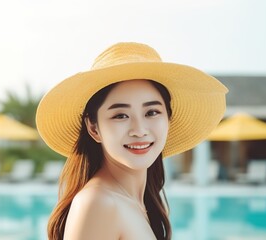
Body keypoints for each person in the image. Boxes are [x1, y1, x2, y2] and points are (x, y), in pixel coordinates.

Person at [36, 42, 228, 240]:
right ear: (94, 128)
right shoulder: (97, 203)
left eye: (152, 112)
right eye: (120, 116)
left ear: (168, 119)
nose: (139, 130)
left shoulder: (138, 202)